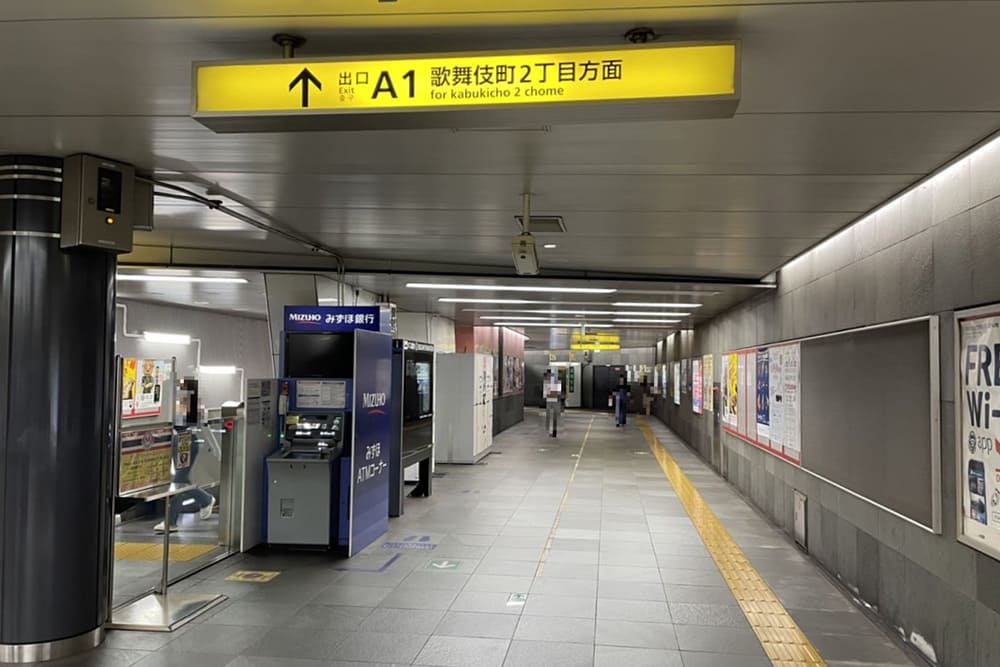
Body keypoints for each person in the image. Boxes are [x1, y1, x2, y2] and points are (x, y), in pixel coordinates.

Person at [155, 430, 215, 533]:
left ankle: (171, 522)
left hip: (185, 440)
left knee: (179, 480)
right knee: (182, 480)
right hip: (177, 440)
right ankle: (205, 499)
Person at [543, 369, 561, 437]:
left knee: (550, 418)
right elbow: (558, 393)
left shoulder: (547, 383)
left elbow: (545, 395)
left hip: (551, 401)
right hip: (553, 401)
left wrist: (550, 393)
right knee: (552, 418)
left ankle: (552, 432)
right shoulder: (557, 382)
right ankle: (553, 432)